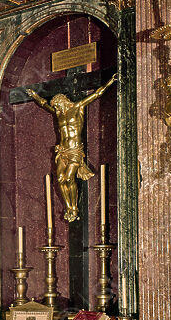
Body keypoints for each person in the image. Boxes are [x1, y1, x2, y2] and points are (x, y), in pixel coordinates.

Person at [25, 75, 116, 222]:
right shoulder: (59, 114)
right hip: (62, 151)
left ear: (62, 101)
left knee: (68, 178)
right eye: (55, 107)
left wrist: (110, 81)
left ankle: (74, 207)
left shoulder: (77, 107)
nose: (56, 108)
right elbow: (44, 104)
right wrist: (35, 95)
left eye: (57, 105)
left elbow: (96, 95)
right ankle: (69, 207)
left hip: (75, 151)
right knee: (60, 179)